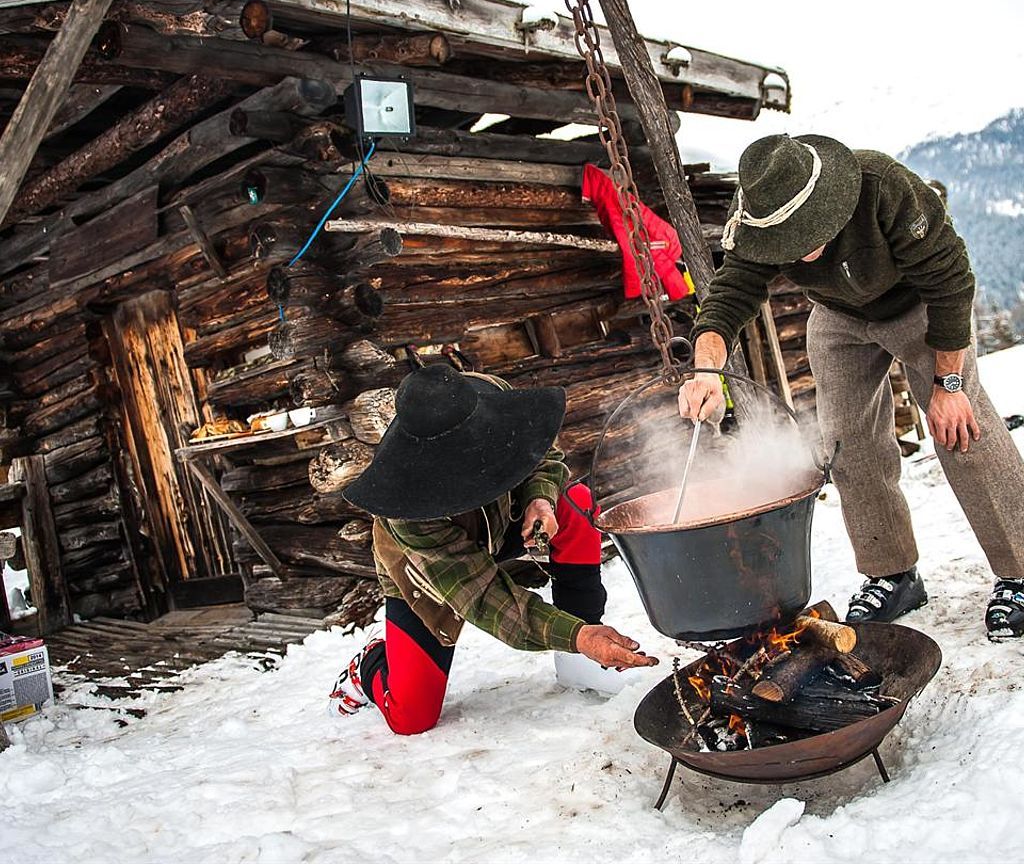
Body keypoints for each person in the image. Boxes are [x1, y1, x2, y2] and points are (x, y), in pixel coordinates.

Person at [678, 133, 1024, 639]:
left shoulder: (883, 187)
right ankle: (893, 573)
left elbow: (951, 280)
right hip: (840, 317)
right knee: (845, 442)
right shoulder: (761, 214)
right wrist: (706, 368)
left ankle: (1019, 569)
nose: (796, 256)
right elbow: (731, 293)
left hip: (920, 308)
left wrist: (949, 385)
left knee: (961, 430)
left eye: (803, 238)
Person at [330, 363, 657, 734]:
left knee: (576, 502)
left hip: (506, 522)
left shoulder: (492, 397)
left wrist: (541, 498)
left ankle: (578, 663)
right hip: (429, 572)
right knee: (412, 718)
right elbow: (486, 598)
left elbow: (545, 454)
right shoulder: (409, 517)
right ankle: (370, 663)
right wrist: (578, 636)